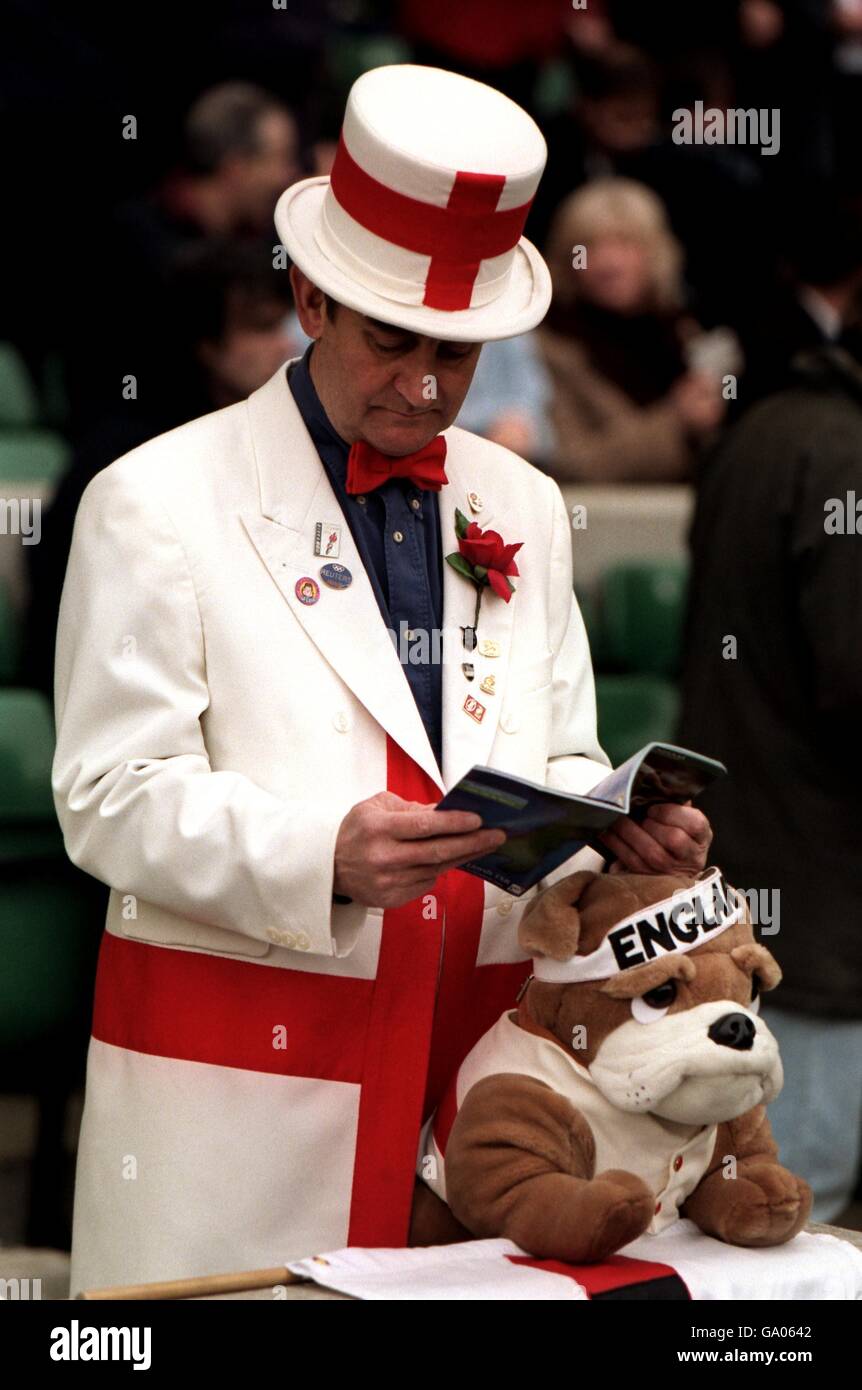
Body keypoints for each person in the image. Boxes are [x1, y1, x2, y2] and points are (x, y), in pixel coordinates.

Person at [53, 64, 712, 1294]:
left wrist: (616, 826)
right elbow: (107, 795)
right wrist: (323, 855)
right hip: (246, 1092)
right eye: (391, 340)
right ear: (306, 297)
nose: (423, 383)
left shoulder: (520, 498)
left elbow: (560, 750)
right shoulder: (150, 499)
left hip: (480, 1073)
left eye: (458, 355)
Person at [676, 312, 862, 1223]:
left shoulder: (762, 428)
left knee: (761, 1193)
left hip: (752, 860)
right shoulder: (844, 452)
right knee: (797, 1207)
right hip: (825, 893)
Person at [537, 177, 726, 482]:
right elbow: (569, 465)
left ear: (655, 254)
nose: (609, 263)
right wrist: (675, 422)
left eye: (626, 244)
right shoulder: (549, 348)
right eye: (590, 248)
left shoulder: (682, 335)